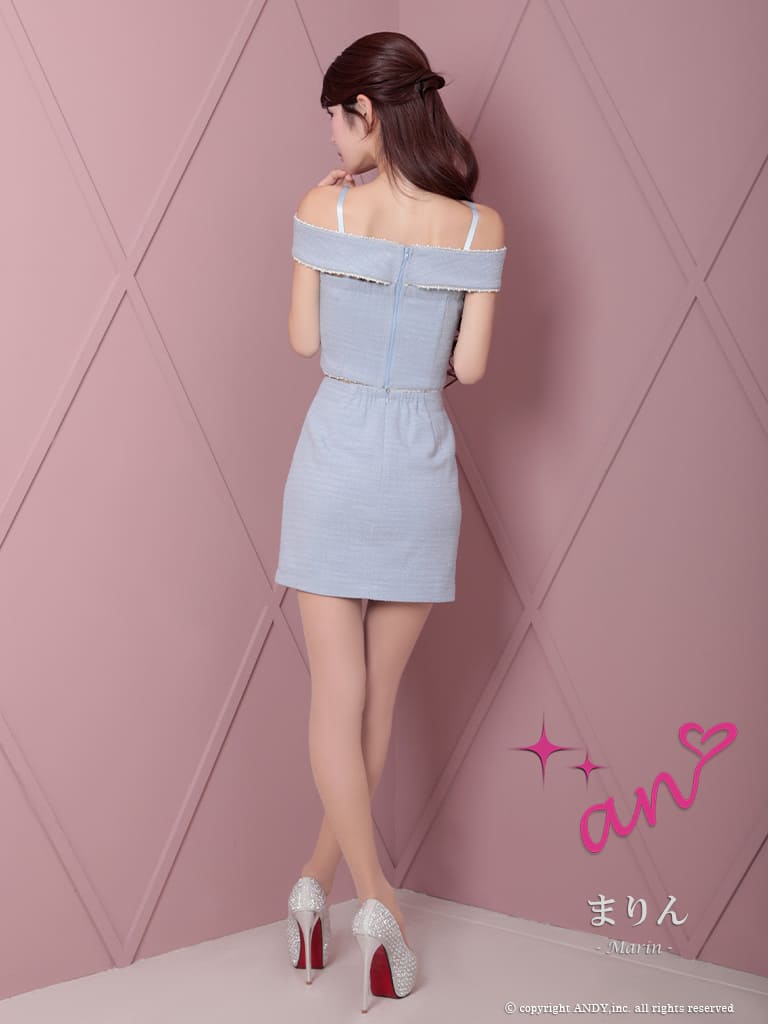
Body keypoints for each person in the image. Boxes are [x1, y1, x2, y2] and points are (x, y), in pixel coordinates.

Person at [277, 31, 506, 1012]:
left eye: (337, 118)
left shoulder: (322, 204)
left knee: (337, 696)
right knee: (374, 705)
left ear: (365, 113)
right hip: (417, 468)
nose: (333, 136)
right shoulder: (478, 227)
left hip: (333, 460)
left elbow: (303, 339)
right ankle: (352, 893)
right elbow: (471, 370)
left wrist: (335, 207)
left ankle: (340, 892)